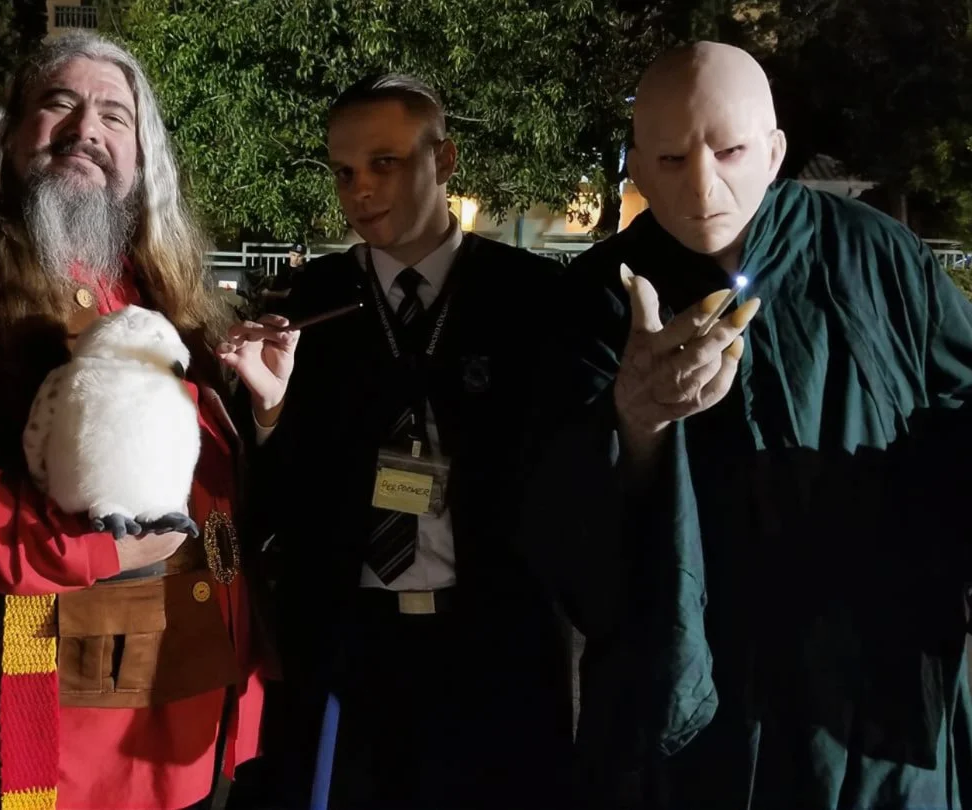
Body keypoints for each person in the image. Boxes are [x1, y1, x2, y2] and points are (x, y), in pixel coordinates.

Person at [0, 30, 266, 810]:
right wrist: (98, 547)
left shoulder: (151, 276)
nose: (87, 130)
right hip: (46, 697)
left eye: (115, 116)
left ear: (141, 155)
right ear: (9, 132)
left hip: (188, 686)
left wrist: (261, 409)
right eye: (60, 104)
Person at [546, 41, 972, 808]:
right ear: (636, 170)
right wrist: (635, 423)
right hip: (699, 703)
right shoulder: (595, 297)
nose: (703, 186)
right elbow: (554, 517)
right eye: (671, 160)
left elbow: (960, 407)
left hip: (867, 684)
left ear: (774, 152)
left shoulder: (875, 255)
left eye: (731, 152)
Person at [220, 73, 575, 809]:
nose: (360, 190)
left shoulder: (532, 300)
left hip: (493, 641)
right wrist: (270, 409)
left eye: (385, 163)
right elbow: (273, 500)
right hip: (346, 643)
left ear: (443, 160)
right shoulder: (308, 302)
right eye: (343, 172)